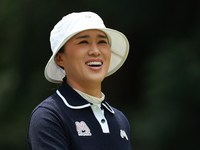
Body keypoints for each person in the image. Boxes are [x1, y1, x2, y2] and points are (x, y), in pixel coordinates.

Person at [27, 11, 131, 150]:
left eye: (102, 42)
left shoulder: (120, 120)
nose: (95, 51)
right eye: (83, 42)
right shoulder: (49, 116)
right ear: (60, 58)